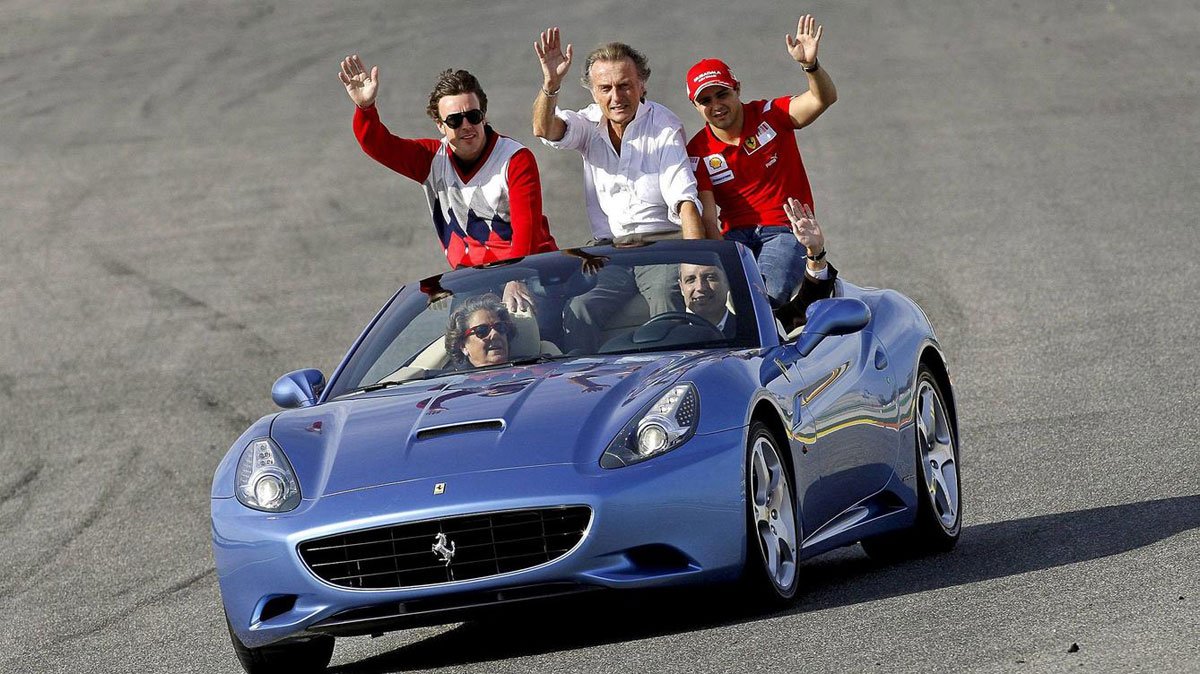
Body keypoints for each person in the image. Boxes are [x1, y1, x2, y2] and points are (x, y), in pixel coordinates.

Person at [530, 31, 711, 349]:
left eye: (625, 85)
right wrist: (551, 85)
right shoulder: (588, 123)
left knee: (666, 303)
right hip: (608, 254)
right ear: (594, 92)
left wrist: (694, 261)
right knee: (579, 308)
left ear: (641, 84)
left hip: (661, 248)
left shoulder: (664, 128)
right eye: (606, 88)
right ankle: (589, 387)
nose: (617, 97)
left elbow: (685, 202)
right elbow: (544, 129)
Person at [339, 55, 557, 269]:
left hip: (532, 271)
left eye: (473, 116)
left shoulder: (515, 158)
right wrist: (366, 109)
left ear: (484, 115)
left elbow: (526, 233)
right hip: (473, 282)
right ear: (439, 125)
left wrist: (516, 279)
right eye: (454, 120)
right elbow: (378, 144)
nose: (466, 126)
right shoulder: (432, 159)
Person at [684, 14, 837, 307]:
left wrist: (810, 66)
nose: (716, 106)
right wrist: (718, 266)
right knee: (713, 303)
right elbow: (708, 222)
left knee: (764, 297)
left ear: (737, 89)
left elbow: (823, 99)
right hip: (735, 239)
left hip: (784, 229)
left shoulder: (771, 114)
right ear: (696, 105)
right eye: (705, 101)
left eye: (722, 94)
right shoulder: (698, 151)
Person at [679, 197, 838, 336]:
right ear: (681, 287)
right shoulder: (667, 336)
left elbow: (810, 301)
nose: (700, 287)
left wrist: (815, 252)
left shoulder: (762, 325)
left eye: (710, 277)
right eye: (690, 279)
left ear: (727, 281)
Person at [444, 293, 514, 368]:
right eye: (482, 330)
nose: (495, 333)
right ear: (463, 346)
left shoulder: (526, 369)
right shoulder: (452, 378)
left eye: (500, 327)